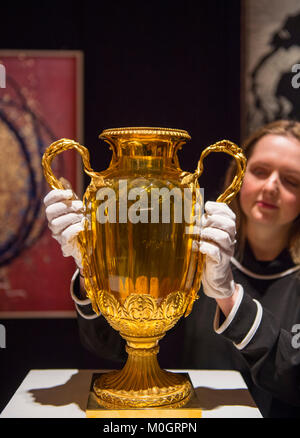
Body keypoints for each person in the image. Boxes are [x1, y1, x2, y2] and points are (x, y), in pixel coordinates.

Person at [44, 120, 300, 418]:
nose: (271, 187)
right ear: (239, 177)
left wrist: (228, 297)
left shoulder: (213, 267)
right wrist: (92, 262)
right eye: (260, 171)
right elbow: (107, 346)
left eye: (291, 180)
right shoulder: (190, 249)